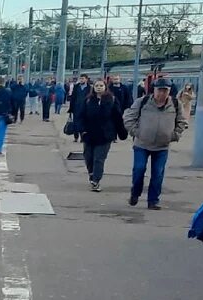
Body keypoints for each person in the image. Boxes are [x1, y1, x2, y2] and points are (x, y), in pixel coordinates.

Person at [124, 78, 187, 210]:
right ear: (154, 90)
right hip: (142, 144)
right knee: (139, 169)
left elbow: (182, 121)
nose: (162, 94)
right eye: (160, 90)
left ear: (169, 91)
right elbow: (129, 117)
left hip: (162, 146)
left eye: (165, 91)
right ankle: (135, 193)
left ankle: (153, 200)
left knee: (158, 174)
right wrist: (136, 132)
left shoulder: (175, 104)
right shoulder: (143, 102)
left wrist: (174, 135)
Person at [75, 80, 126, 192]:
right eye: (96, 86)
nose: (99, 88)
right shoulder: (88, 100)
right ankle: (92, 175)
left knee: (99, 158)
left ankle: (96, 180)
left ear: (105, 87)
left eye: (101, 86)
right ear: (93, 88)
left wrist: (122, 133)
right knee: (88, 158)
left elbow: (117, 117)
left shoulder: (111, 100)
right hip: (89, 134)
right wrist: (82, 131)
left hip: (105, 135)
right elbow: (80, 116)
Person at [67, 74, 91, 141]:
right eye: (80, 79)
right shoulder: (76, 87)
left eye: (83, 78)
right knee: (75, 122)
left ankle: (82, 137)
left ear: (86, 79)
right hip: (76, 107)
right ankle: (76, 137)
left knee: (83, 123)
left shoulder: (89, 88)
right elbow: (73, 97)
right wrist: (71, 108)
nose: (81, 80)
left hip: (85, 108)